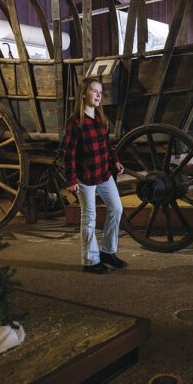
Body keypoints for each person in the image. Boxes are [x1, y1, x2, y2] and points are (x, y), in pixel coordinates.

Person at [63, 78, 126, 275]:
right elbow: (69, 153)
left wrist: (114, 160)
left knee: (116, 208)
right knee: (89, 217)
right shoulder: (75, 123)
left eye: (100, 92)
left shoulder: (99, 119)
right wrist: (71, 179)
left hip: (104, 174)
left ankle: (107, 252)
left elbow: (107, 144)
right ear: (84, 94)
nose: (99, 95)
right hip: (85, 177)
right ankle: (90, 261)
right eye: (94, 91)